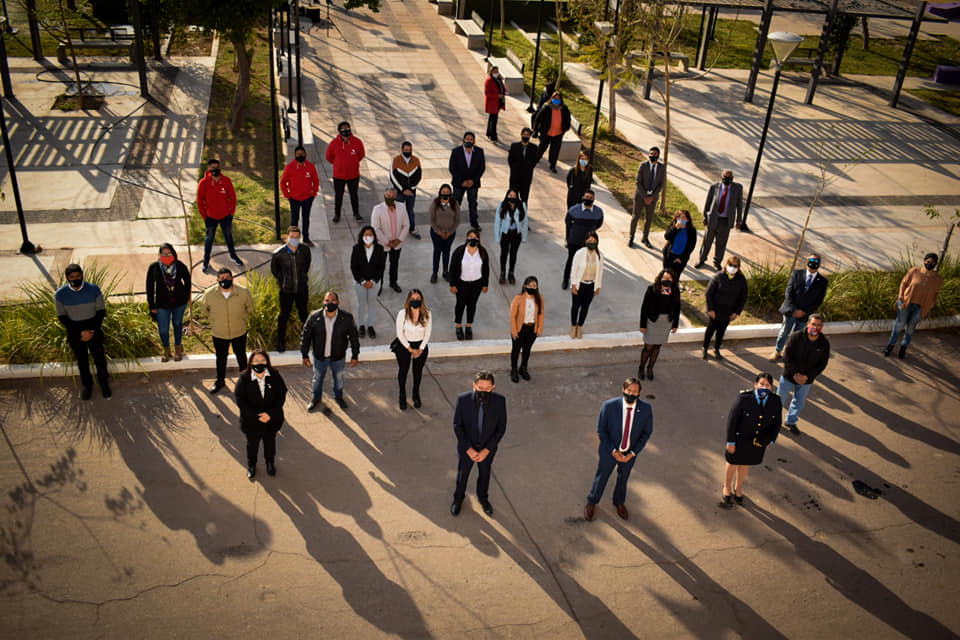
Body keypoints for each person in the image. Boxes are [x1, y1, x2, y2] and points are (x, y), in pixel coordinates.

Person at [584, 377, 653, 522]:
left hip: (630, 453)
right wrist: (613, 451)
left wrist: (632, 453)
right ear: (623, 390)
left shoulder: (646, 409)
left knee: (623, 478)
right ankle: (592, 502)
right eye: (629, 390)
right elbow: (601, 430)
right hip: (609, 451)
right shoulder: (609, 406)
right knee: (602, 476)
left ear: (640, 393)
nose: (631, 394)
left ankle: (619, 502)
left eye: (635, 391)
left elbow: (646, 433)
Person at [450, 370, 507, 517]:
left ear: (493, 387)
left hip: (487, 449)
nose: (484, 391)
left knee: (485, 474)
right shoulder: (462, 400)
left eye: (487, 388)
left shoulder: (500, 401)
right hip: (466, 448)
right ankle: (458, 499)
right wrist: (468, 449)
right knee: (463, 474)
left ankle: (483, 498)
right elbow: (458, 426)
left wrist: (487, 450)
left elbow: (501, 429)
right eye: (480, 388)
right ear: (474, 386)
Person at [722, 373, 782, 507]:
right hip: (739, 438)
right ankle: (726, 487)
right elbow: (732, 421)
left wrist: (771, 439)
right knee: (732, 462)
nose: (764, 387)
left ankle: (738, 488)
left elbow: (777, 422)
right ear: (755, 384)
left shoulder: (775, 401)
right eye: (761, 384)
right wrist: (730, 442)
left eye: (767, 385)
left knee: (745, 464)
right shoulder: (744, 398)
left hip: (757, 442)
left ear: (771, 387)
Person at [55, 264, 110, 400]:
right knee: (82, 360)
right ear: (67, 278)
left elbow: (101, 312)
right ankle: (88, 386)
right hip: (75, 332)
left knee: (100, 359)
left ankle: (104, 384)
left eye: (78, 276)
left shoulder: (94, 290)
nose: (75, 279)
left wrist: (90, 331)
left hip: (94, 328)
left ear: (82, 275)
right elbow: (62, 317)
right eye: (72, 277)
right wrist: (81, 333)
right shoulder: (60, 294)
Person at [301, 291, 360, 411]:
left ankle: (338, 397)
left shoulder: (347, 318)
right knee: (317, 379)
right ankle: (316, 399)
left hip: (338, 357)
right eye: (327, 300)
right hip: (319, 357)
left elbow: (354, 338)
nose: (330, 303)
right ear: (323, 302)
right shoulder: (314, 317)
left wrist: (355, 355)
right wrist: (304, 354)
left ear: (338, 302)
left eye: (333, 300)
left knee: (338, 379)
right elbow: (306, 336)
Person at [235, 349, 287, 480]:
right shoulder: (244, 378)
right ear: (250, 362)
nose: (259, 363)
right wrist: (258, 416)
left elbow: (281, 396)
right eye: (256, 361)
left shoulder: (275, 376)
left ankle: (270, 463)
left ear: (267, 362)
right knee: (252, 445)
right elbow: (241, 400)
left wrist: (269, 414)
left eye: (262, 361)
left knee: (270, 443)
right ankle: (251, 465)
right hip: (251, 422)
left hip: (271, 420)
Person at [201, 268, 254, 394]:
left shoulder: (243, 292)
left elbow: (250, 308)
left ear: (232, 279)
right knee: (221, 358)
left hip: (239, 331)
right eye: (222, 278)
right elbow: (204, 310)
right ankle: (220, 381)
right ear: (217, 280)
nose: (225, 280)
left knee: (241, 356)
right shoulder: (209, 294)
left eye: (227, 277)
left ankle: (245, 382)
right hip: (219, 333)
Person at [778, 314, 830, 435]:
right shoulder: (796, 337)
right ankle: (774, 422)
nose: (815, 328)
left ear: (822, 326)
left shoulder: (824, 343)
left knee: (799, 402)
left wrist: (807, 377)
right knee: (779, 400)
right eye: (813, 324)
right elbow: (787, 356)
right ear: (807, 324)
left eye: (818, 325)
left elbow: (822, 364)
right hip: (789, 376)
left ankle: (791, 421)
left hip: (807, 380)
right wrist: (795, 373)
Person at [769, 253, 828, 361]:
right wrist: (794, 310)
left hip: (805, 315)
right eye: (811, 260)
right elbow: (789, 292)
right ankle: (777, 351)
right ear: (807, 261)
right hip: (791, 310)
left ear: (819, 265)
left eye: (816, 262)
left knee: (798, 336)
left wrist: (804, 312)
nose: (813, 264)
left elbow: (818, 301)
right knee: (784, 332)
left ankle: (790, 353)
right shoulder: (796, 274)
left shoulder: (823, 282)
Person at [885, 252, 943, 359]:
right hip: (906, 303)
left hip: (921, 308)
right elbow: (903, 283)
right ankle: (890, 345)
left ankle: (903, 348)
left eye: (933, 262)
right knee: (899, 325)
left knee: (910, 329)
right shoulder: (915, 271)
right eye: (928, 261)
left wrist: (930, 305)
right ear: (924, 261)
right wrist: (901, 295)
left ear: (935, 264)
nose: (930, 264)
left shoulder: (938, 279)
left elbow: (936, 294)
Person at [146, 243, 191, 363]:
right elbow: (149, 287)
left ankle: (178, 348)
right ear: (159, 255)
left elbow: (187, 280)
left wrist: (186, 296)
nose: (166, 256)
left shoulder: (179, 265)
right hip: (162, 304)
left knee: (177, 324)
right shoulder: (154, 267)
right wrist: (152, 305)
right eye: (163, 254)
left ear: (173, 253)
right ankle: (166, 350)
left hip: (179, 302)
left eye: (169, 253)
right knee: (163, 329)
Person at [270, 226, 311, 352]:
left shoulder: (305, 250)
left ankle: (308, 341)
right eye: (292, 237)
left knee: (304, 315)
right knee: (283, 316)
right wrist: (284, 281)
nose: (294, 239)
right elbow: (275, 271)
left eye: (297, 237)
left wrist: (302, 279)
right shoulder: (278, 254)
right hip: (286, 290)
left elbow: (306, 266)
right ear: (287, 237)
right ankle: (281, 342)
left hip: (302, 289)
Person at [197, 158, 241, 271]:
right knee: (209, 239)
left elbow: (233, 198)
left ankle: (233, 256)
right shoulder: (203, 183)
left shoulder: (226, 181)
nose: (215, 170)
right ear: (209, 169)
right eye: (213, 168)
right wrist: (205, 216)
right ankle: (206, 261)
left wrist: (231, 213)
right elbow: (200, 201)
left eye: (217, 168)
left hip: (225, 216)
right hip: (210, 217)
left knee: (228, 236)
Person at [696, 169, 743, 270]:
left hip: (726, 221)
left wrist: (739, 220)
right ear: (721, 177)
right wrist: (705, 216)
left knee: (721, 243)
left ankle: (717, 262)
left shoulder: (737, 188)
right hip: (713, 218)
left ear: (733, 179)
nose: (727, 180)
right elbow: (708, 202)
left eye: (730, 178)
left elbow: (739, 205)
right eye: (725, 178)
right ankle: (701, 259)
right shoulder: (714, 187)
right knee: (707, 241)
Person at [639, 269, 681, 381]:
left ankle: (650, 368)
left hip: (666, 322)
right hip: (653, 322)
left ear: (673, 280)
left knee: (657, 346)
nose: (667, 280)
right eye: (665, 278)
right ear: (660, 278)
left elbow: (677, 308)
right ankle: (641, 368)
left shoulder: (675, 290)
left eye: (669, 279)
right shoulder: (652, 289)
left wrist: (675, 324)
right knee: (648, 347)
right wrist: (643, 325)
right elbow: (644, 308)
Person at [703, 256, 747, 360]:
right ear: (726, 265)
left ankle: (716, 349)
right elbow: (708, 293)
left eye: (735, 266)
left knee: (721, 331)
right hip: (715, 311)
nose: (732, 267)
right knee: (710, 330)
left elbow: (743, 298)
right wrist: (710, 309)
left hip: (728, 313)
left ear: (739, 267)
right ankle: (704, 348)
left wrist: (737, 312)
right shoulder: (719, 276)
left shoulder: (741, 280)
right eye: (730, 265)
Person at [449, 228, 490, 341]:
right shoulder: (460, 251)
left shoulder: (482, 252)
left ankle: (468, 326)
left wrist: (485, 284)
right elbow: (452, 268)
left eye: (475, 237)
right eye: (470, 236)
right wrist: (452, 284)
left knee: (472, 305)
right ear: (467, 238)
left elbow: (486, 269)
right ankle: (458, 326)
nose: (473, 238)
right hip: (462, 284)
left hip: (476, 284)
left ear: (479, 239)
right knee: (460, 305)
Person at [394, 289, 432, 410]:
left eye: (418, 299)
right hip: (404, 345)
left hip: (421, 345)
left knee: (417, 372)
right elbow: (400, 334)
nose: (415, 301)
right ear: (409, 300)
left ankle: (416, 394)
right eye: (413, 299)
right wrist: (410, 349)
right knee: (403, 370)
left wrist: (420, 349)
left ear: (422, 300)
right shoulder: (402, 314)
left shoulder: (427, 314)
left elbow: (428, 333)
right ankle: (402, 395)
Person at [350, 225, 387, 339]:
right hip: (359, 283)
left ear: (374, 236)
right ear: (362, 236)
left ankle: (370, 326)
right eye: (366, 235)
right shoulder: (356, 248)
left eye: (370, 235)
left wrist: (373, 281)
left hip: (374, 283)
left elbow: (381, 267)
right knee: (361, 304)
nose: (368, 237)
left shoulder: (379, 249)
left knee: (372, 304)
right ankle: (361, 325)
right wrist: (362, 281)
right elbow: (353, 267)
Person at [371, 188, 410, 294]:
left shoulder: (402, 207)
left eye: (391, 196)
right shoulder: (377, 209)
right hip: (383, 244)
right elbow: (375, 228)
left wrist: (399, 240)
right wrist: (386, 242)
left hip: (397, 243)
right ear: (384, 196)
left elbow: (406, 225)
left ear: (395, 197)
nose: (389, 198)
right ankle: (379, 285)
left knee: (394, 263)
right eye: (387, 196)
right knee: (381, 265)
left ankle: (393, 283)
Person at [325, 121, 365, 223]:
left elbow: (361, 155)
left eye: (348, 129)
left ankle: (356, 214)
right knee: (339, 196)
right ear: (339, 132)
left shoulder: (357, 142)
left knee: (354, 195)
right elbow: (329, 157)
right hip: (339, 176)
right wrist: (339, 165)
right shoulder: (334, 144)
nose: (346, 131)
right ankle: (337, 214)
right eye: (343, 129)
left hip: (353, 175)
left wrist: (354, 163)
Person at [563, 189, 603, 290]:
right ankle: (565, 279)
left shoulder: (598, 212)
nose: (588, 199)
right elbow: (567, 221)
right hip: (574, 241)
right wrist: (573, 232)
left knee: (586, 262)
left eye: (590, 198)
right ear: (582, 198)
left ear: (594, 199)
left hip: (588, 244)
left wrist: (591, 231)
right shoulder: (573, 210)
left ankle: (581, 280)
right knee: (571, 260)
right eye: (586, 197)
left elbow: (599, 223)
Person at [280, 145, 320, 246]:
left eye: (302, 154)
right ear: (294, 155)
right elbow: (283, 182)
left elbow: (315, 181)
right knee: (294, 219)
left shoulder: (310, 167)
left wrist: (313, 193)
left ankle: (306, 238)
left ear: (305, 154)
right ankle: (293, 240)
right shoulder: (290, 168)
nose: (300, 156)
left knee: (306, 218)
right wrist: (287, 196)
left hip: (307, 198)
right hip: (294, 199)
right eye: (298, 154)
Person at [509, 276, 544, 383]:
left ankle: (523, 368)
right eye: (530, 285)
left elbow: (541, 315)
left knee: (527, 350)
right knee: (516, 350)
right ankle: (514, 370)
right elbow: (513, 316)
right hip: (520, 328)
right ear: (525, 286)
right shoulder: (518, 298)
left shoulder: (539, 298)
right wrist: (514, 331)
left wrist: (539, 329)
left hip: (531, 328)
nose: (532, 287)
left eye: (534, 285)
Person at [569, 230, 603, 339]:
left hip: (591, 286)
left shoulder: (599, 255)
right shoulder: (580, 253)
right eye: (590, 240)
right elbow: (574, 269)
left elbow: (600, 271)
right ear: (586, 241)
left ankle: (580, 327)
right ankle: (573, 326)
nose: (592, 242)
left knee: (585, 307)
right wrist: (573, 285)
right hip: (580, 284)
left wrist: (598, 286)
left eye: (594, 241)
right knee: (575, 307)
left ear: (597, 242)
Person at [448, 132, 486, 230]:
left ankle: (474, 223)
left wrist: (473, 180)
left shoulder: (479, 151)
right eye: (467, 139)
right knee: (455, 204)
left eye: (471, 139)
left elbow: (481, 168)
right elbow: (452, 168)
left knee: (473, 204)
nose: (469, 141)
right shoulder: (456, 151)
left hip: (473, 184)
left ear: (474, 141)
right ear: (463, 140)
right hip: (459, 184)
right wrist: (462, 181)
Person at [629, 146, 665, 249]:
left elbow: (661, 184)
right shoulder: (643, 165)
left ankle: (645, 238)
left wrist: (652, 197)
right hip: (640, 196)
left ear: (658, 155)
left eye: (655, 154)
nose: (653, 156)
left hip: (653, 198)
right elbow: (638, 182)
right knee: (635, 217)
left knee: (649, 219)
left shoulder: (662, 168)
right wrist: (645, 196)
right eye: (651, 154)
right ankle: (631, 236)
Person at [493, 189, 528, 285]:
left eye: (514, 195)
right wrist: (497, 237)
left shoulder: (522, 206)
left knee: (513, 254)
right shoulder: (502, 205)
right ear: (507, 195)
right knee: (504, 254)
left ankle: (511, 273)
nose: (512, 197)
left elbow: (525, 223)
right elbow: (497, 222)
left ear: (517, 197)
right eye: (510, 195)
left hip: (516, 234)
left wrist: (524, 237)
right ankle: (502, 273)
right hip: (505, 234)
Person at [390, 141, 423, 239]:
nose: (408, 152)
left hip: (411, 192)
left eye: (410, 150)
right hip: (400, 192)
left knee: (410, 211)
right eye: (406, 150)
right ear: (402, 150)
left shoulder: (416, 160)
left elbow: (419, 176)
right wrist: (402, 190)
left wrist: (412, 189)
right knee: (397, 211)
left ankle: (412, 228)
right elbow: (393, 177)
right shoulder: (396, 160)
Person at [429, 184, 460, 283]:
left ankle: (446, 272)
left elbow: (457, 220)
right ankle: (434, 273)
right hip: (436, 233)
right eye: (443, 192)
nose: (445, 193)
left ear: (451, 193)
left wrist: (450, 232)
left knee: (446, 252)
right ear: (440, 192)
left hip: (450, 234)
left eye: (447, 192)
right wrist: (438, 232)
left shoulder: (455, 204)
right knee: (437, 252)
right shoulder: (435, 203)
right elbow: (432, 219)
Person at [533, 91, 571, 173]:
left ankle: (552, 165)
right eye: (555, 98)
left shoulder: (564, 108)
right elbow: (538, 117)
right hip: (546, 132)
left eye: (558, 99)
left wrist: (567, 127)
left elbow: (568, 118)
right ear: (552, 98)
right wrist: (535, 128)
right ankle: (536, 159)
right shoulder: (547, 107)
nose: (556, 100)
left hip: (558, 133)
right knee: (542, 147)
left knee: (555, 150)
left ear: (561, 99)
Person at [661, 209, 697, 275]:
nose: (680, 219)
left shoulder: (691, 231)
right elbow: (667, 236)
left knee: (675, 276)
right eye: (678, 217)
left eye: (683, 218)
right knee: (665, 275)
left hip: (681, 258)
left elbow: (691, 246)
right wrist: (675, 229)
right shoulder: (673, 225)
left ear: (687, 219)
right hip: (669, 256)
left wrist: (681, 258)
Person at [507, 128, 538, 204]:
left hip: (526, 178)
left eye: (527, 135)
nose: (525, 136)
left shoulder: (534, 148)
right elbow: (510, 160)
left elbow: (534, 161)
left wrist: (527, 169)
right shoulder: (514, 146)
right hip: (515, 177)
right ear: (521, 135)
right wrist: (515, 169)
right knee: (513, 198)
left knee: (524, 199)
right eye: (524, 134)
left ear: (530, 136)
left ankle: (523, 214)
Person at [484, 65, 506, 143]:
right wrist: (497, 95)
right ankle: (493, 135)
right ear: (491, 72)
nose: (496, 73)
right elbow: (487, 93)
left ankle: (489, 133)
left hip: (498, 103)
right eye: (494, 72)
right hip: (492, 103)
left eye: (497, 71)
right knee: (494, 120)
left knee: (492, 118)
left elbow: (502, 87)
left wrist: (504, 92)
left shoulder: (499, 79)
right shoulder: (489, 81)